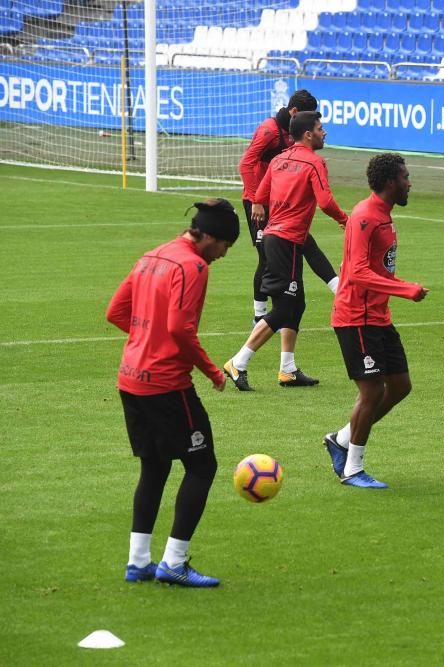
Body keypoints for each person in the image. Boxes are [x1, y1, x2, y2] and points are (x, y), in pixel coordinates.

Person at [107, 199, 240, 588]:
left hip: (130, 379)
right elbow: (182, 330)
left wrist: (146, 343)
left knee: (155, 467)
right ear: (211, 238)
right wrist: (213, 371)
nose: (223, 255)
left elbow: (116, 312)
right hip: (166, 386)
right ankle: (174, 563)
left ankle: (138, 562)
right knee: (202, 466)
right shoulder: (193, 266)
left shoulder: (152, 256)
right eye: (225, 246)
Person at [323, 154, 428, 489]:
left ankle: (340, 439)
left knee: (400, 386)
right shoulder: (365, 216)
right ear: (390, 182)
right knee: (372, 392)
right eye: (405, 177)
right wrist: (404, 289)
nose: (409, 182)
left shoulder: (384, 215)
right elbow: (356, 273)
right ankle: (352, 468)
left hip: (378, 317)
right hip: (356, 318)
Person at [224, 111, 349, 391]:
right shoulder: (315, 163)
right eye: (320, 128)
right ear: (308, 134)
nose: (324, 132)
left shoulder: (279, 159)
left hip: (275, 237)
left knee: (297, 304)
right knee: (285, 308)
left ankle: (288, 369)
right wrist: (345, 220)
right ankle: (238, 362)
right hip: (287, 240)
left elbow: (261, 194)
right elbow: (326, 201)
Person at [238, 89, 341, 323]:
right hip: (259, 201)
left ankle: (337, 288)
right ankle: (261, 315)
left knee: (301, 239)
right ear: (294, 112)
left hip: (276, 199)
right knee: (267, 255)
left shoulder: (293, 134)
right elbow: (246, 164)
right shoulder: (269, 130)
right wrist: (256, 200)